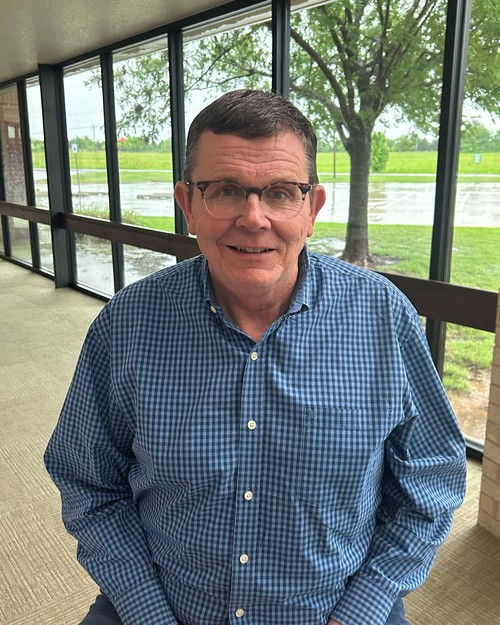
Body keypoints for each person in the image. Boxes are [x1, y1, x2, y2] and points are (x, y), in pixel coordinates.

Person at [44, 89, 466, 625]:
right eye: (224, 191)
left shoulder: (382, 317)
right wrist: (147, 613)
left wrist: (362, 609)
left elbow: (431, 476)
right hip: (162, 607)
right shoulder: (128, 324)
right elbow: (89, 483)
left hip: (338, 611)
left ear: (311, 209)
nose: (253, 218)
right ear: (187, 206)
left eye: (281, 193)